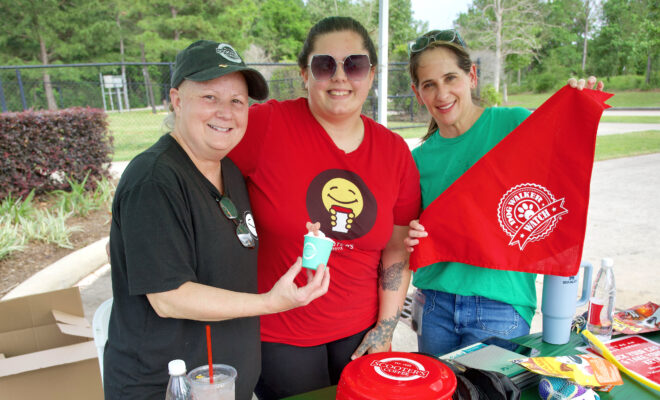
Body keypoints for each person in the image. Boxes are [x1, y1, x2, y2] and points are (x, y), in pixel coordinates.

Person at [104, 40, 330, 400]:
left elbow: (227, 245)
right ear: (177, 100)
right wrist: (270, 302)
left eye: (237, 101)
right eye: (210, 97)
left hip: (221, 383)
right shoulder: (154, 179)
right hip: (166, 387)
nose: (226, 112)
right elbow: (169, 297)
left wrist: (302, 238)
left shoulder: (229, 171)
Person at [228, 16, 421, 399]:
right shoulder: (265, 126)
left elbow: (396, 250)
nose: (340, 77)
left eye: (354, 64)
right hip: (280, 333)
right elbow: (196, 158)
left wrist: (384, 329)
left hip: (362, 334)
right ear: (304, 73)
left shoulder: (393, 151)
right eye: (324, 65)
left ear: (371, 73)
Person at [403, 29, 604, 356]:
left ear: (472, 77)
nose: (442, 93)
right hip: (433, 302)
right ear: (417, 92)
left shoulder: (515, 125)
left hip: (500, 303)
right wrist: (410, 236)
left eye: (450, 78)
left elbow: (567, 164)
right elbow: (403, 237)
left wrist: (579, 100)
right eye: (429, 84)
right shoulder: (418, 160)